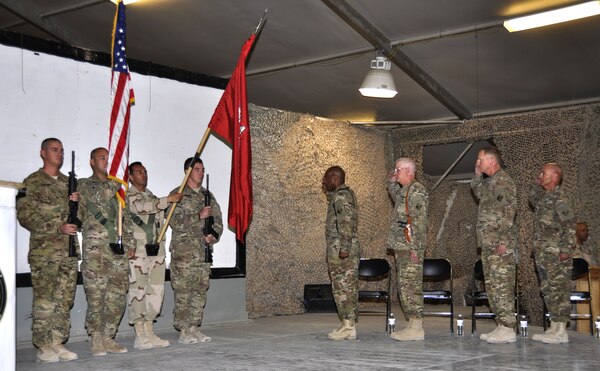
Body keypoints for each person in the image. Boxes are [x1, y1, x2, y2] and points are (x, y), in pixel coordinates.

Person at [16, 138, 79, 363]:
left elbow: (78, 220)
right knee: (44, 300)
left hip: (69, 251)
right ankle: (43, 345)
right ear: (43, 153)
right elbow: (25, 216)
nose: (59, 154)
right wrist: (57, 227)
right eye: (54, 150)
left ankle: (57, 342)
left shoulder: (69, 183)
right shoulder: (31, 182)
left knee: (64, 299)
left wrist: (76, 205)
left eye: (61, 150)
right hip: (45, 253)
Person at [78, 147, 132, 356]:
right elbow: (96, 202)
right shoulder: (85, 185)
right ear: (92, 162)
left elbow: (124, 218)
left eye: (108, 158)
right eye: (102, 158)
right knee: (96, 295)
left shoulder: (118, 188)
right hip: (96, 250)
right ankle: (96, 338)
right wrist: (116, 184)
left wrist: (129, 243)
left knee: (117, 296)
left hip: (117, 248)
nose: (106, 162)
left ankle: (109, 337)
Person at [126, 162, 183, 349]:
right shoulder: (128, 196)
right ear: (131, 177)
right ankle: (140, 334)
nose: (143, 175)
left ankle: (150, 330)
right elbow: (142, 207)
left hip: (156, 252)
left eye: (145, 171)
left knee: (155, 291)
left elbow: (159, 213)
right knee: (138, 292)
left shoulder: (152, 196)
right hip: (139, 253)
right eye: (139, 172)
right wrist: (168, 199)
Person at [169, 157, 223, 344]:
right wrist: (198, 216)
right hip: (184, 254)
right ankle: (184, 330)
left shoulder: (208, 196)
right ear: (187, 172)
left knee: (200, 291)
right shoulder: (178, 194)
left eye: (202, 169)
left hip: (203, 253)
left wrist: (213, 235)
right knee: (184, 292)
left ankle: (194, 327)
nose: (201, 172)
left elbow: (218, 221)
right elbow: (174, 222)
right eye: (197, 169)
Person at [471, 146, 517, 344]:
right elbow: (478, 191)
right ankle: (501, 324)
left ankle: (508, 328)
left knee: (502, 285)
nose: (477, 163)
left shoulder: (503, 182)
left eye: (480, 160)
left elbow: (508, 214)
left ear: (491, 161)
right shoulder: (490, 183)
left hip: (500, 245)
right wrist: (476, 175)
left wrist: (504, 242)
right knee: (492, 286)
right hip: (489, 244)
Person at [529, 163, 576, 344]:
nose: (540, 174)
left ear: (555, 176)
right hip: (543, 255)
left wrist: (565, 250)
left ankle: (561, 330)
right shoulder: (544, 197)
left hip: (557, 254)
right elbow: (532, 199)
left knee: (559, 290)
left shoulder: (560, 197)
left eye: (544, 172)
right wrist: (536, 183)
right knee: (548, 290)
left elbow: (570, 225)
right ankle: (554, 326)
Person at [387, 158, 428, 341]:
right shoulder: (406, 190)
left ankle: (417, 327)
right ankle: (412, 324)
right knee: (405, 286)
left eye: (397, 170)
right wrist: (391, 183)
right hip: (402, 246)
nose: (395, 173)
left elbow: (419, 222)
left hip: (410, 246)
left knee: (411, 286)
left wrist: (415, 248)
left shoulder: (416, 190)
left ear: (408, 171)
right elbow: (398, 199)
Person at [322, 166, 360, 340]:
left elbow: (346, 223)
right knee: (342, 287)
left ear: (336, 178)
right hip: (340, 247)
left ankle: (349, 327)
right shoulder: (340, 195)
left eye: (326, 178)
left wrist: (344, 247)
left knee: (344, 287)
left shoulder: (341, 195)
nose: (323, 181)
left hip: (341, 249)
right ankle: (347, 325)